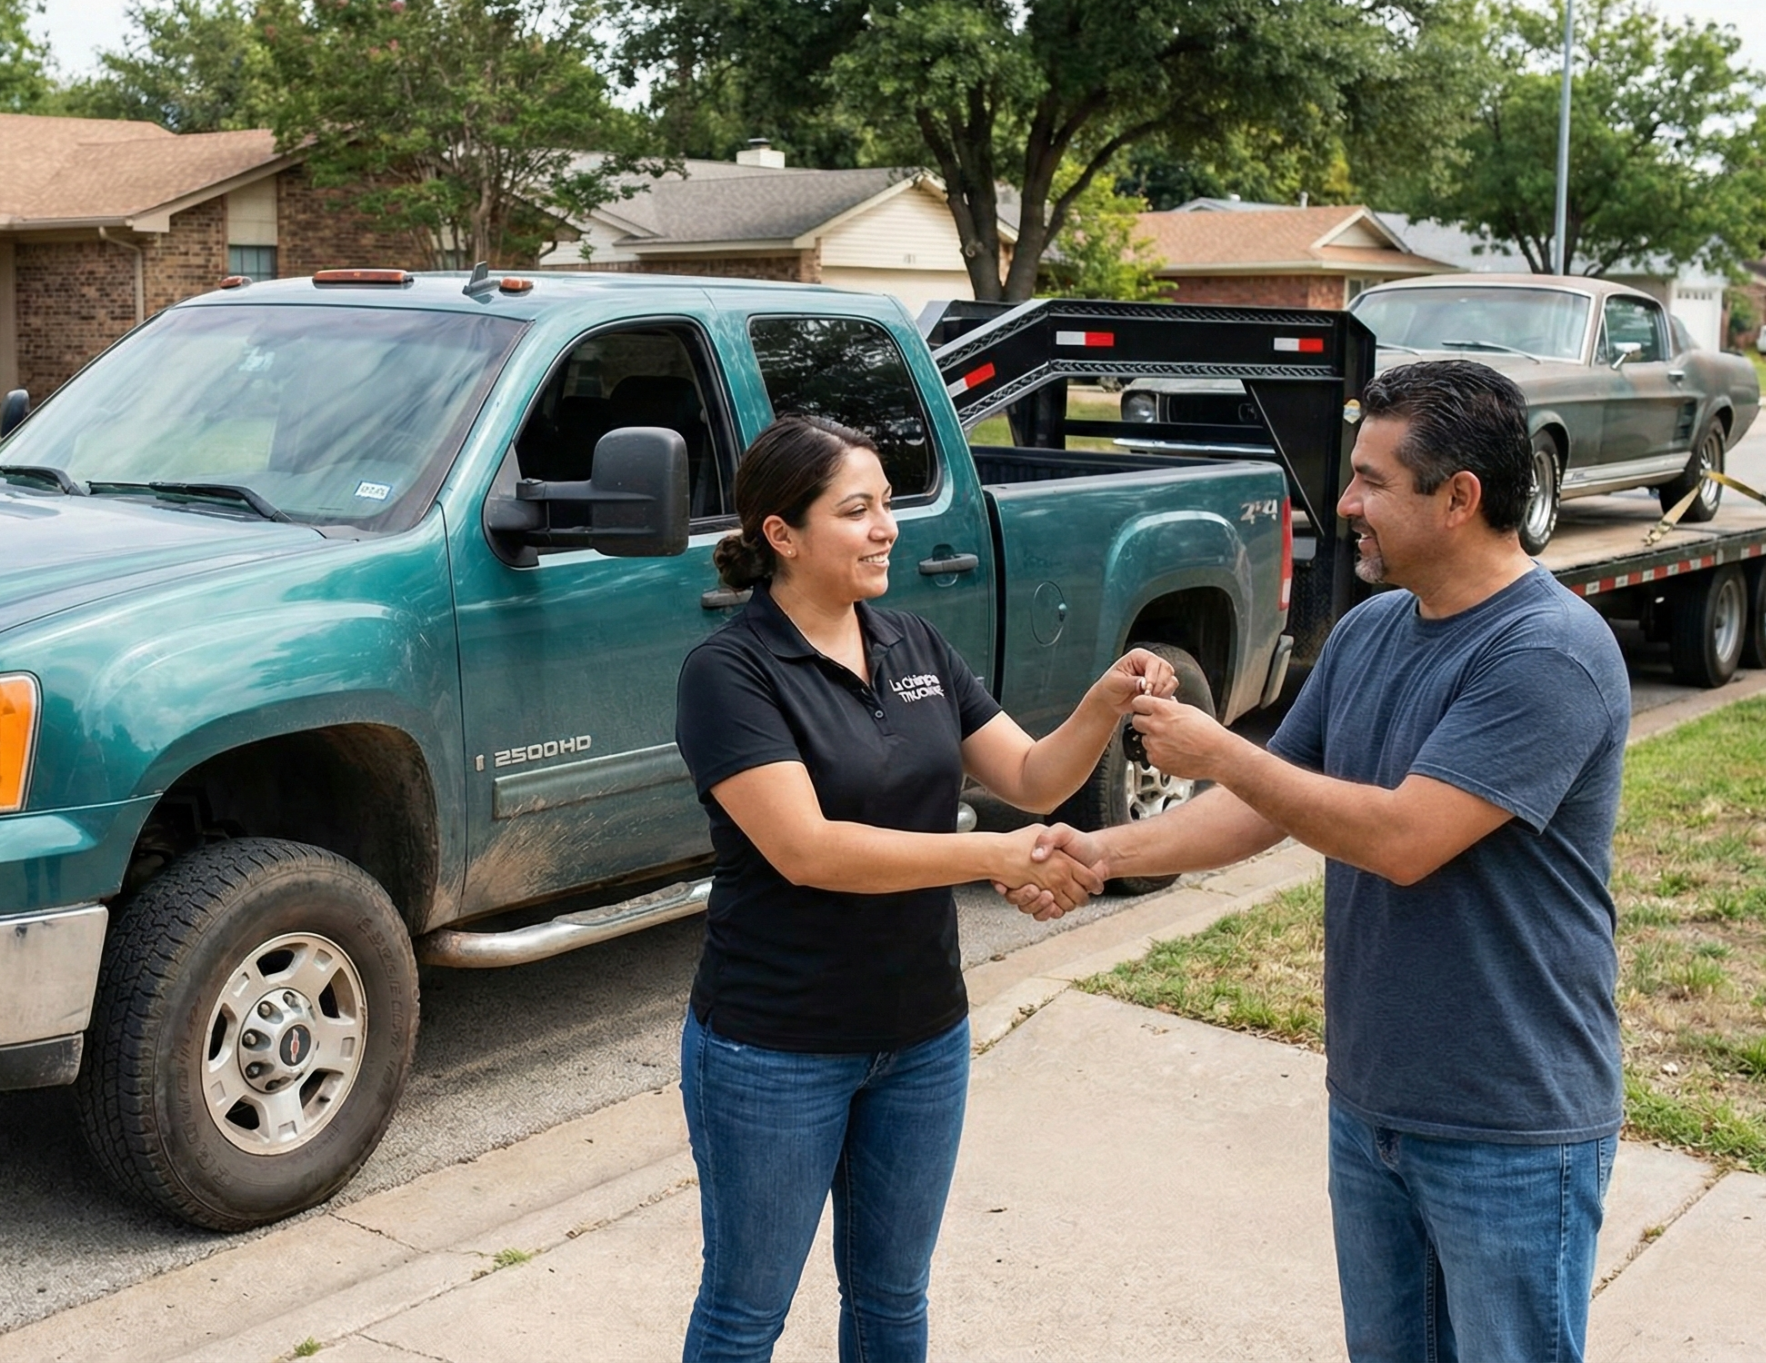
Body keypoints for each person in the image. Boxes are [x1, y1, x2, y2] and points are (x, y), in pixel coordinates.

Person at [1009, 359, 1632, 1360]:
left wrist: (1218, 746)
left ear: (1460, 498)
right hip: (1376, 1103)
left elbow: (1402, 839)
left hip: (1509, 1125)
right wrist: (1099, 849)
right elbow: (1258, 810)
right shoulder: (1375, 629)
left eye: (1372, 481)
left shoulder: (1545, 652)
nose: (1344, 504)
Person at [673, 414, 1178, 1363]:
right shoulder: (729, 674)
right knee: (747, 1313)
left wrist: (1104, 701)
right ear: (781, 535)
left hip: (922, 1037)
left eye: (885, 506)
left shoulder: (912, 644)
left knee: (893, 1300)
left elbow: (1029, 778)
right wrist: (993, 858)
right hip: (775, 1045)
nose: (887, 529)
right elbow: (808, 851)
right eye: (855, 511)